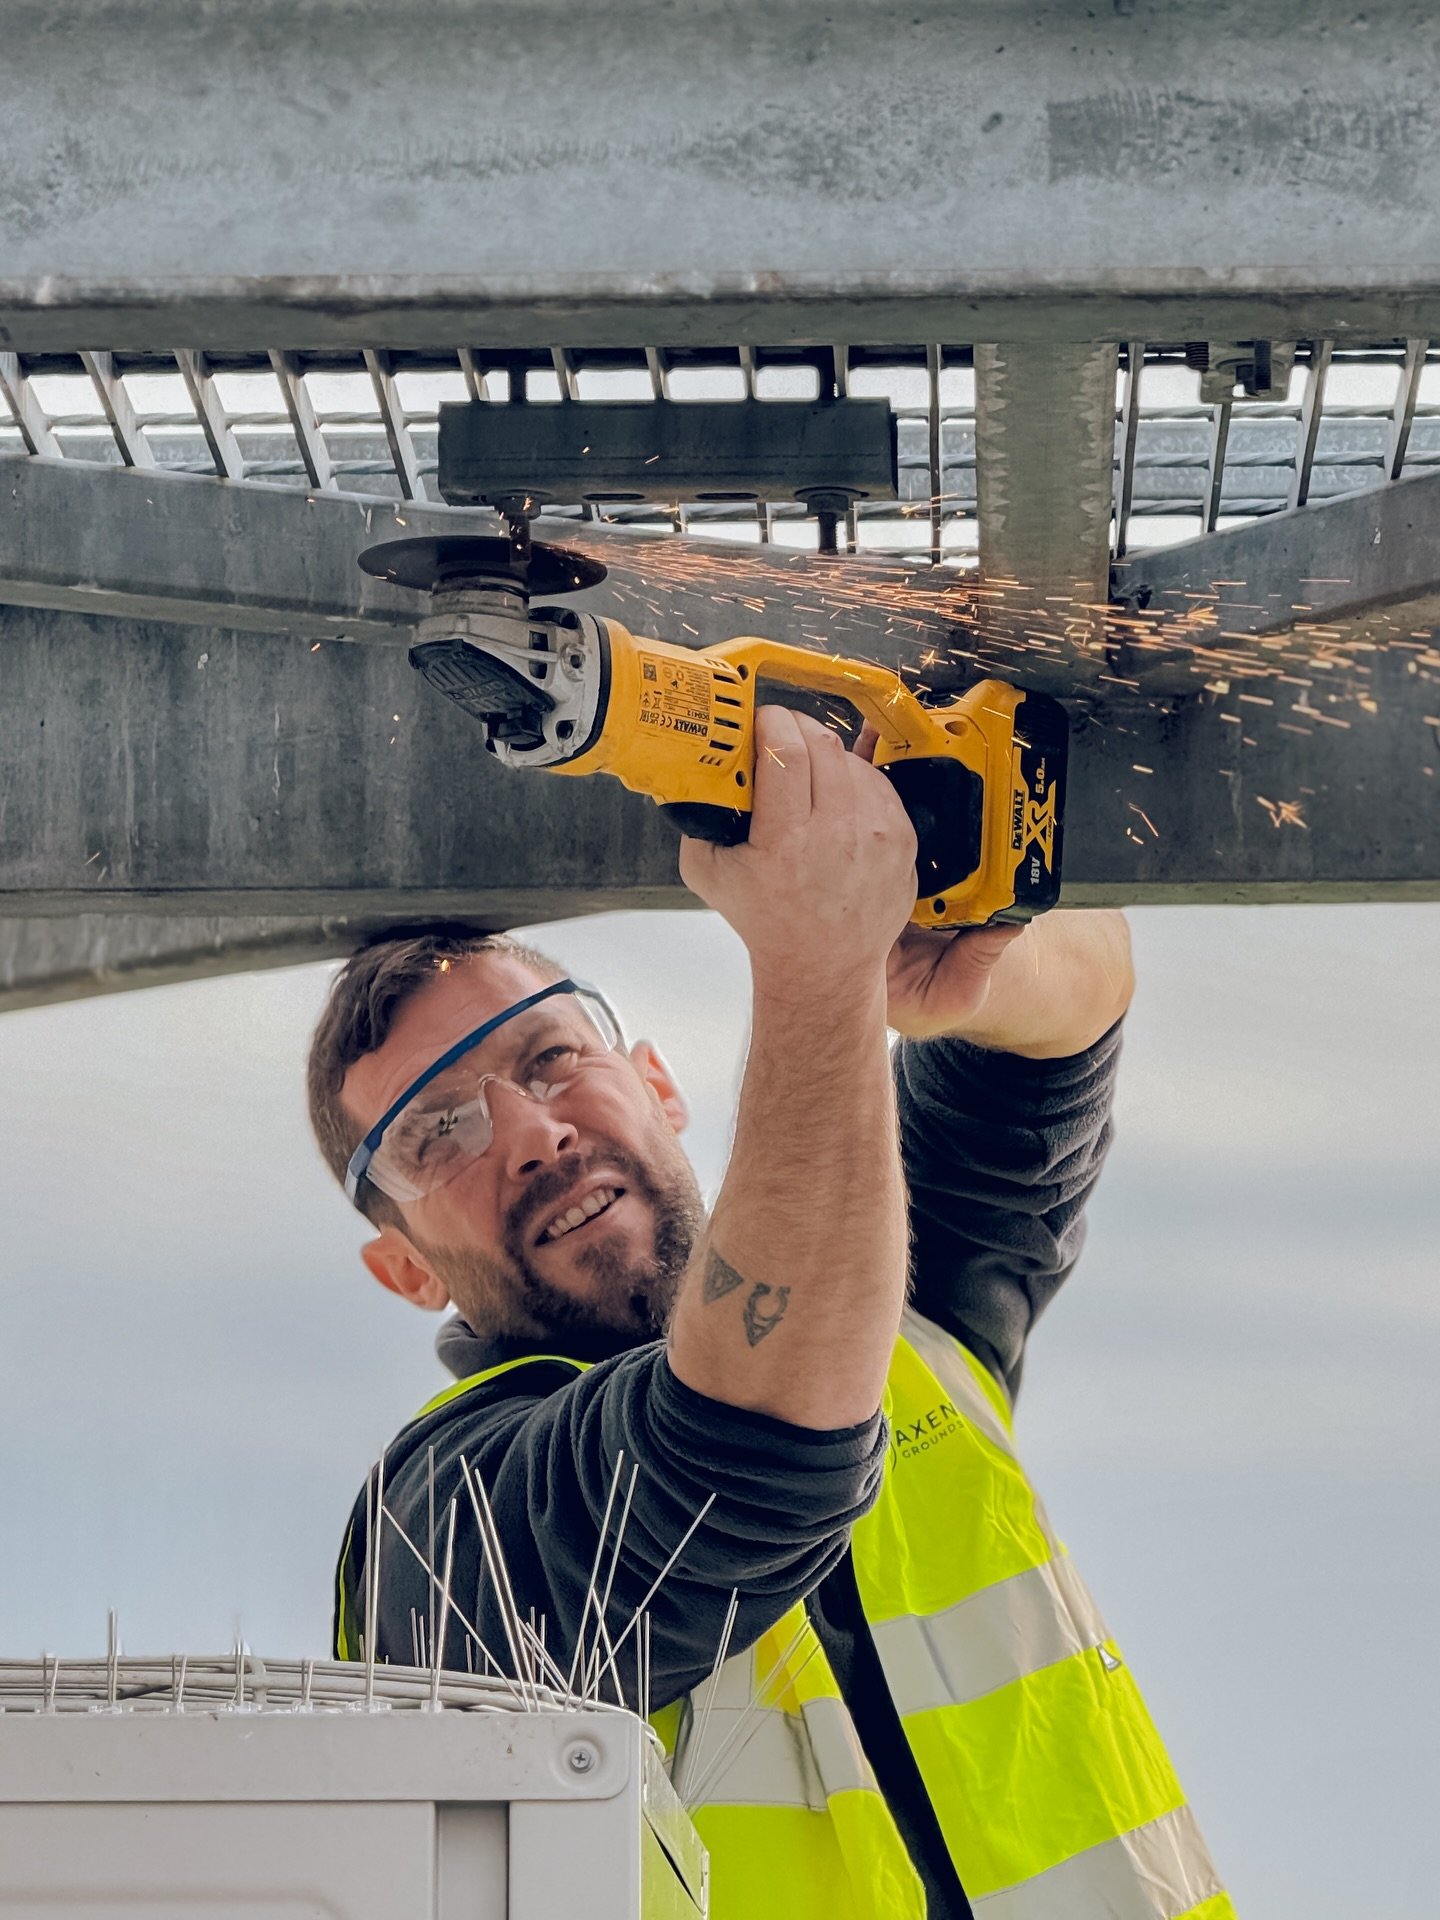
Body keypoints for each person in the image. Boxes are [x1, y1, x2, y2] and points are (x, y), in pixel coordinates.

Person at [309, 704, 1233, 1919]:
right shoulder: (447, 1527)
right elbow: (748, 1454)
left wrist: (941, 964)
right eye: (440, 1132)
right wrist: (819, 965)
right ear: (405, 1270)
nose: (532, 1134)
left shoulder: (889, 1289)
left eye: (549, 1062)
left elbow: (1086, 991)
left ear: (656, 1083)